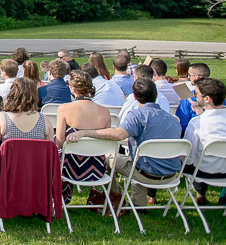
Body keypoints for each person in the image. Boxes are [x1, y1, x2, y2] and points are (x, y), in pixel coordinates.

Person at [66, 78, 182, 210]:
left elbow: (119, 134)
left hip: (145, 173)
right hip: (171, 175)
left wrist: (86, 132)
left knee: (108, 157)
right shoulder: (172, 120)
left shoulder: (138, 116)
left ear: (134, 97)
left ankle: (116, 194)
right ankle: (139, 204)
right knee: (139, 159)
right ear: (156, 95)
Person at [183, 78, 226, 204]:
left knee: (188, 159)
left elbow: (189, 157)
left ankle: (200, 194)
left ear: (207, 99)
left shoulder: (197, 123)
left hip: (205, 172)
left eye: (196, 94)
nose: (194, 97)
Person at [55, 70, 111, 202]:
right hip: (97, 169)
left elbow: (59, 142)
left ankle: (61, 196)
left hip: (69, 169)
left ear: (73, 89)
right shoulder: (105, 111)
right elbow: (106, 141)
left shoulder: (64, 109)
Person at [0, 78, 53, 170]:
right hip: (35, 168)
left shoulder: (1, 118)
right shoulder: (44, 120)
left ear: (13, 93)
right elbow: (50, 150)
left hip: (9, 168)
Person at [175, 62, 217, 134]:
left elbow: (182, 125)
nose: (188, 77)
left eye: (190, 75)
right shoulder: (220, 98)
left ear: (197, 77)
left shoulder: (187, 99)